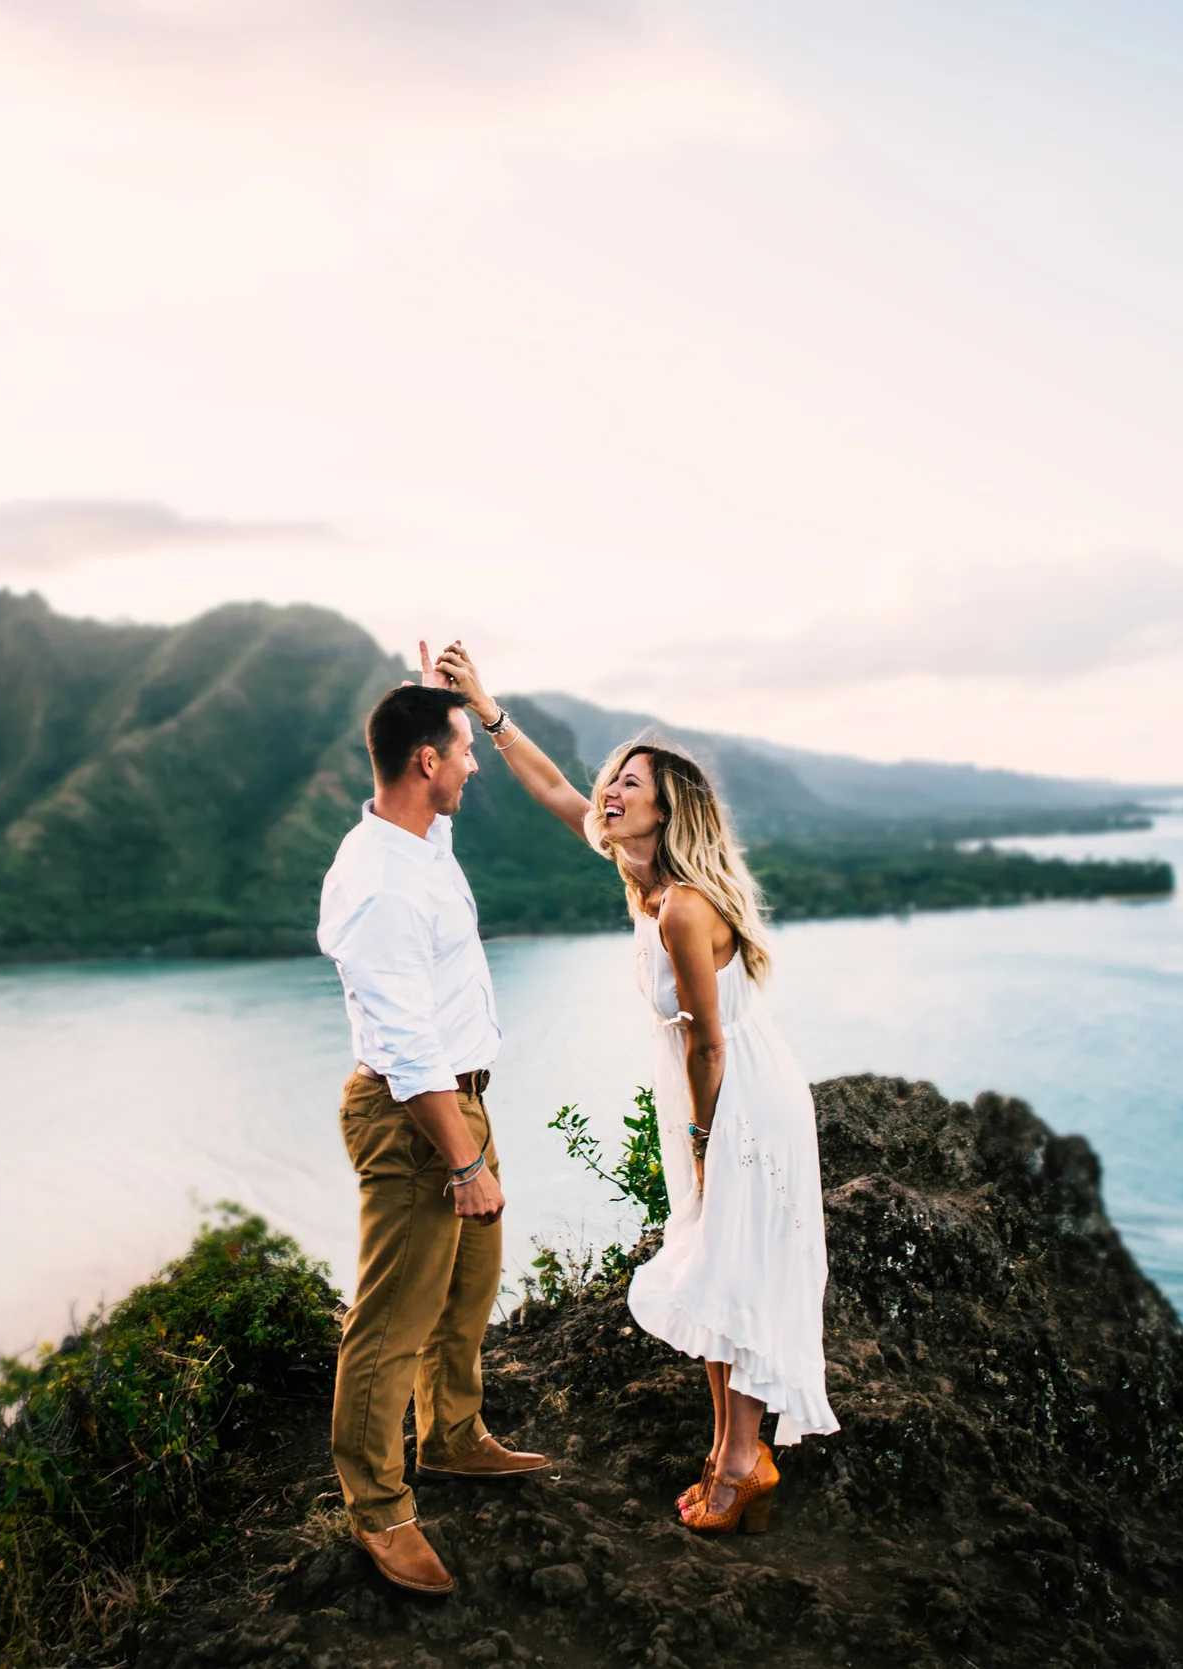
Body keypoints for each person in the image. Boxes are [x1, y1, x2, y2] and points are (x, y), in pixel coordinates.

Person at [432, 642, 839, 1536]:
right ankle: (737, 1449)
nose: (608, 792)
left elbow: (708, 1042)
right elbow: (549, 790)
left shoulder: (687, 907)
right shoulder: (643, 879)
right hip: (711, 1093)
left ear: (667, 812)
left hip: (736, 1096)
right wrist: (486, 706)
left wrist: (698, 1136)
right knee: (709, 1264)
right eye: (611, 779)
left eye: (629, 785)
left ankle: (742, 1459)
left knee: (729, 1266)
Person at [316, 667, 552, 1597]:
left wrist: (464, 701)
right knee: (392, 1317)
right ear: (426, 760)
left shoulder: (419, 837)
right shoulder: (377, 886)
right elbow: (409, 1046)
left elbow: (449, 793)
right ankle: (379, 1506)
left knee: (466, 1286)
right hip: (418, 1113)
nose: (472, 771)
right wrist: (462, 1159)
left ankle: (454, 1435)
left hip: (463, 1097)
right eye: (461, 753)